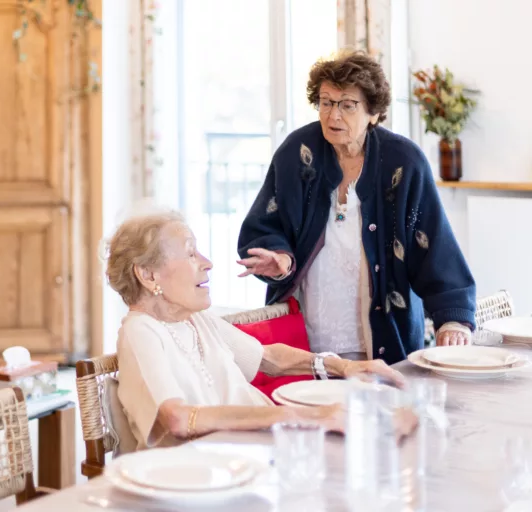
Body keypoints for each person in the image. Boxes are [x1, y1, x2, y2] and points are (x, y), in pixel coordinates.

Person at [237, 50, 476, 365]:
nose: (333, 116)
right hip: (306, 339)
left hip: (382, 339)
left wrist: (453, 319)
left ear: (373, 113)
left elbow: (433, 243)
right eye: (326, 102)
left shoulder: (404, 162)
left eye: (347, 105)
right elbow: (267, 223)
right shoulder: (297, 152)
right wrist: (280, 256)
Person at [105, 210, 416, 451]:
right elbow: (178, 418)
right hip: (207, 476)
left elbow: (268, 357)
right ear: (147, 275)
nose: (207, 263)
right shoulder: (140, 331)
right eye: (190, 253)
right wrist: (298, 417)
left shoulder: (195, 319)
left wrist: (345, 367)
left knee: (390, 433)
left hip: (256, 452)